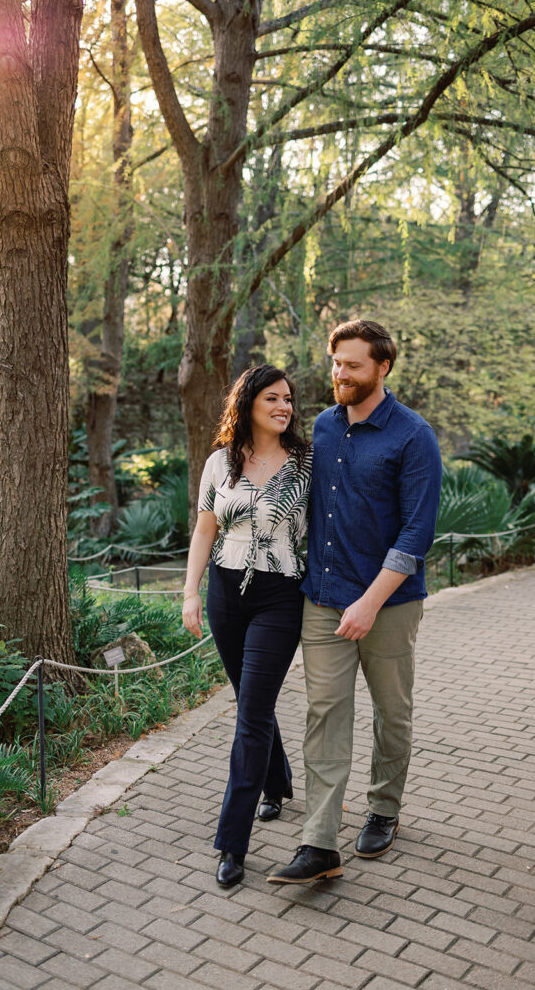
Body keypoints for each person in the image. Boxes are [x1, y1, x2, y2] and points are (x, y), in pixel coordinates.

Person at [268, 319, 442, 885]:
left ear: (382, 367)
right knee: (324, 715)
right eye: (335, 362)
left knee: (392, 713)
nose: (339, 374)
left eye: (352, 365)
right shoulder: (321, 426)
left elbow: (416, 533)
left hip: (388, 606)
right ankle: (319, 844)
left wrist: (369, 602)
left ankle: (384, 808)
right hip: (322, 600)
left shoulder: (413, 435)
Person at [182, 363, 311, 889]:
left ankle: (232, 844)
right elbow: (204, 529)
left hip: (279, 595)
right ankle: (277, 783)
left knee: (252, 714)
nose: (284, 407)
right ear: (249, 404)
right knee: (248, 701)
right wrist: (190, 592)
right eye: (273, 399)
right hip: (224, 593)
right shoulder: (220, 462)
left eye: (289, 400)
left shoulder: (306, 463)